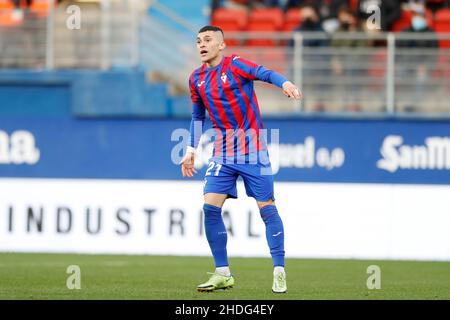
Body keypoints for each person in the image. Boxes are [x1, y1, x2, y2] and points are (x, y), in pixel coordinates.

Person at [180, 25, 301, 293]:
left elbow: (265, 73)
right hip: (223, 152)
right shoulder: (196, 78)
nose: (202, 44)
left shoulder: (235, 65)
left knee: (267, 209)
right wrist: (191, 150)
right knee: (210, 208)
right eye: (198, 40)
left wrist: (286, 83)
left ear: (221, 45)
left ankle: (279, 270)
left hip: (253, 150)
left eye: (208, 40)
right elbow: (197, 116)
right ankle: (223, 273)